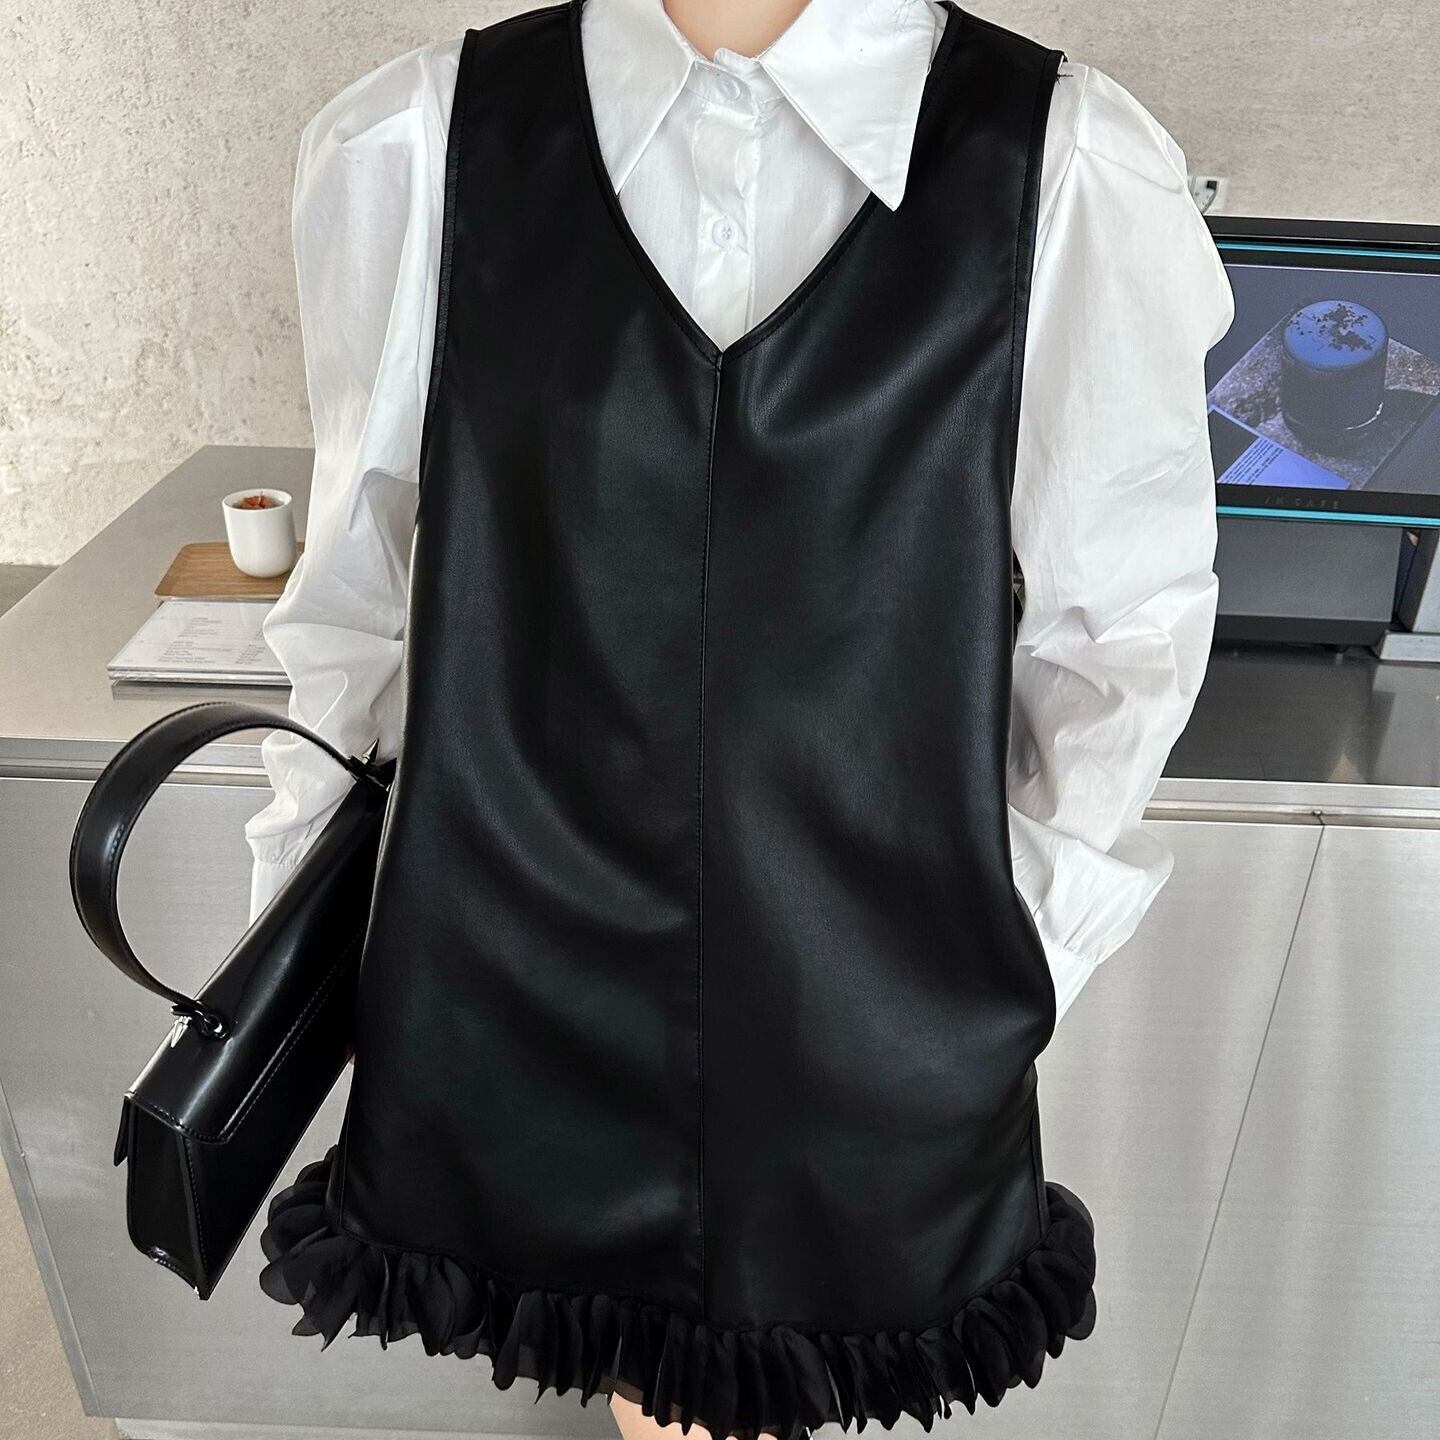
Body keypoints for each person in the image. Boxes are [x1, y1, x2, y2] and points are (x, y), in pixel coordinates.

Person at [247, 3, 1234, 1439]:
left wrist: (983, 968)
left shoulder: (1069, 160)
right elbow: (360, 612)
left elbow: (1121, 641)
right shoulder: (417, 140)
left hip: (878, 1003)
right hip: (512, 983)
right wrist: (301, 948)